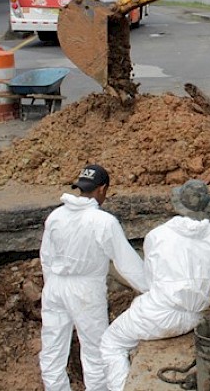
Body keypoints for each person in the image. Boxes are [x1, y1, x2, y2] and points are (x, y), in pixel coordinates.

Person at [101, 179, 210, 391]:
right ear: (207, 206)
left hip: (158, 316)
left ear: (179, 204)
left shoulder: (157, 235)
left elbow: (150, 281)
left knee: (111, 342)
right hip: (195, 318)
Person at [39, 165, 148, 391]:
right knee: (95, 350)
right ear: (102, 189)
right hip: (86, 289)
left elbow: (46, 257)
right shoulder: (103, 221)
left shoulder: (56, 216)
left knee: (52, 349)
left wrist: (51, 287)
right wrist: (151, 290)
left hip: (54, 287)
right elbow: (126, 263)